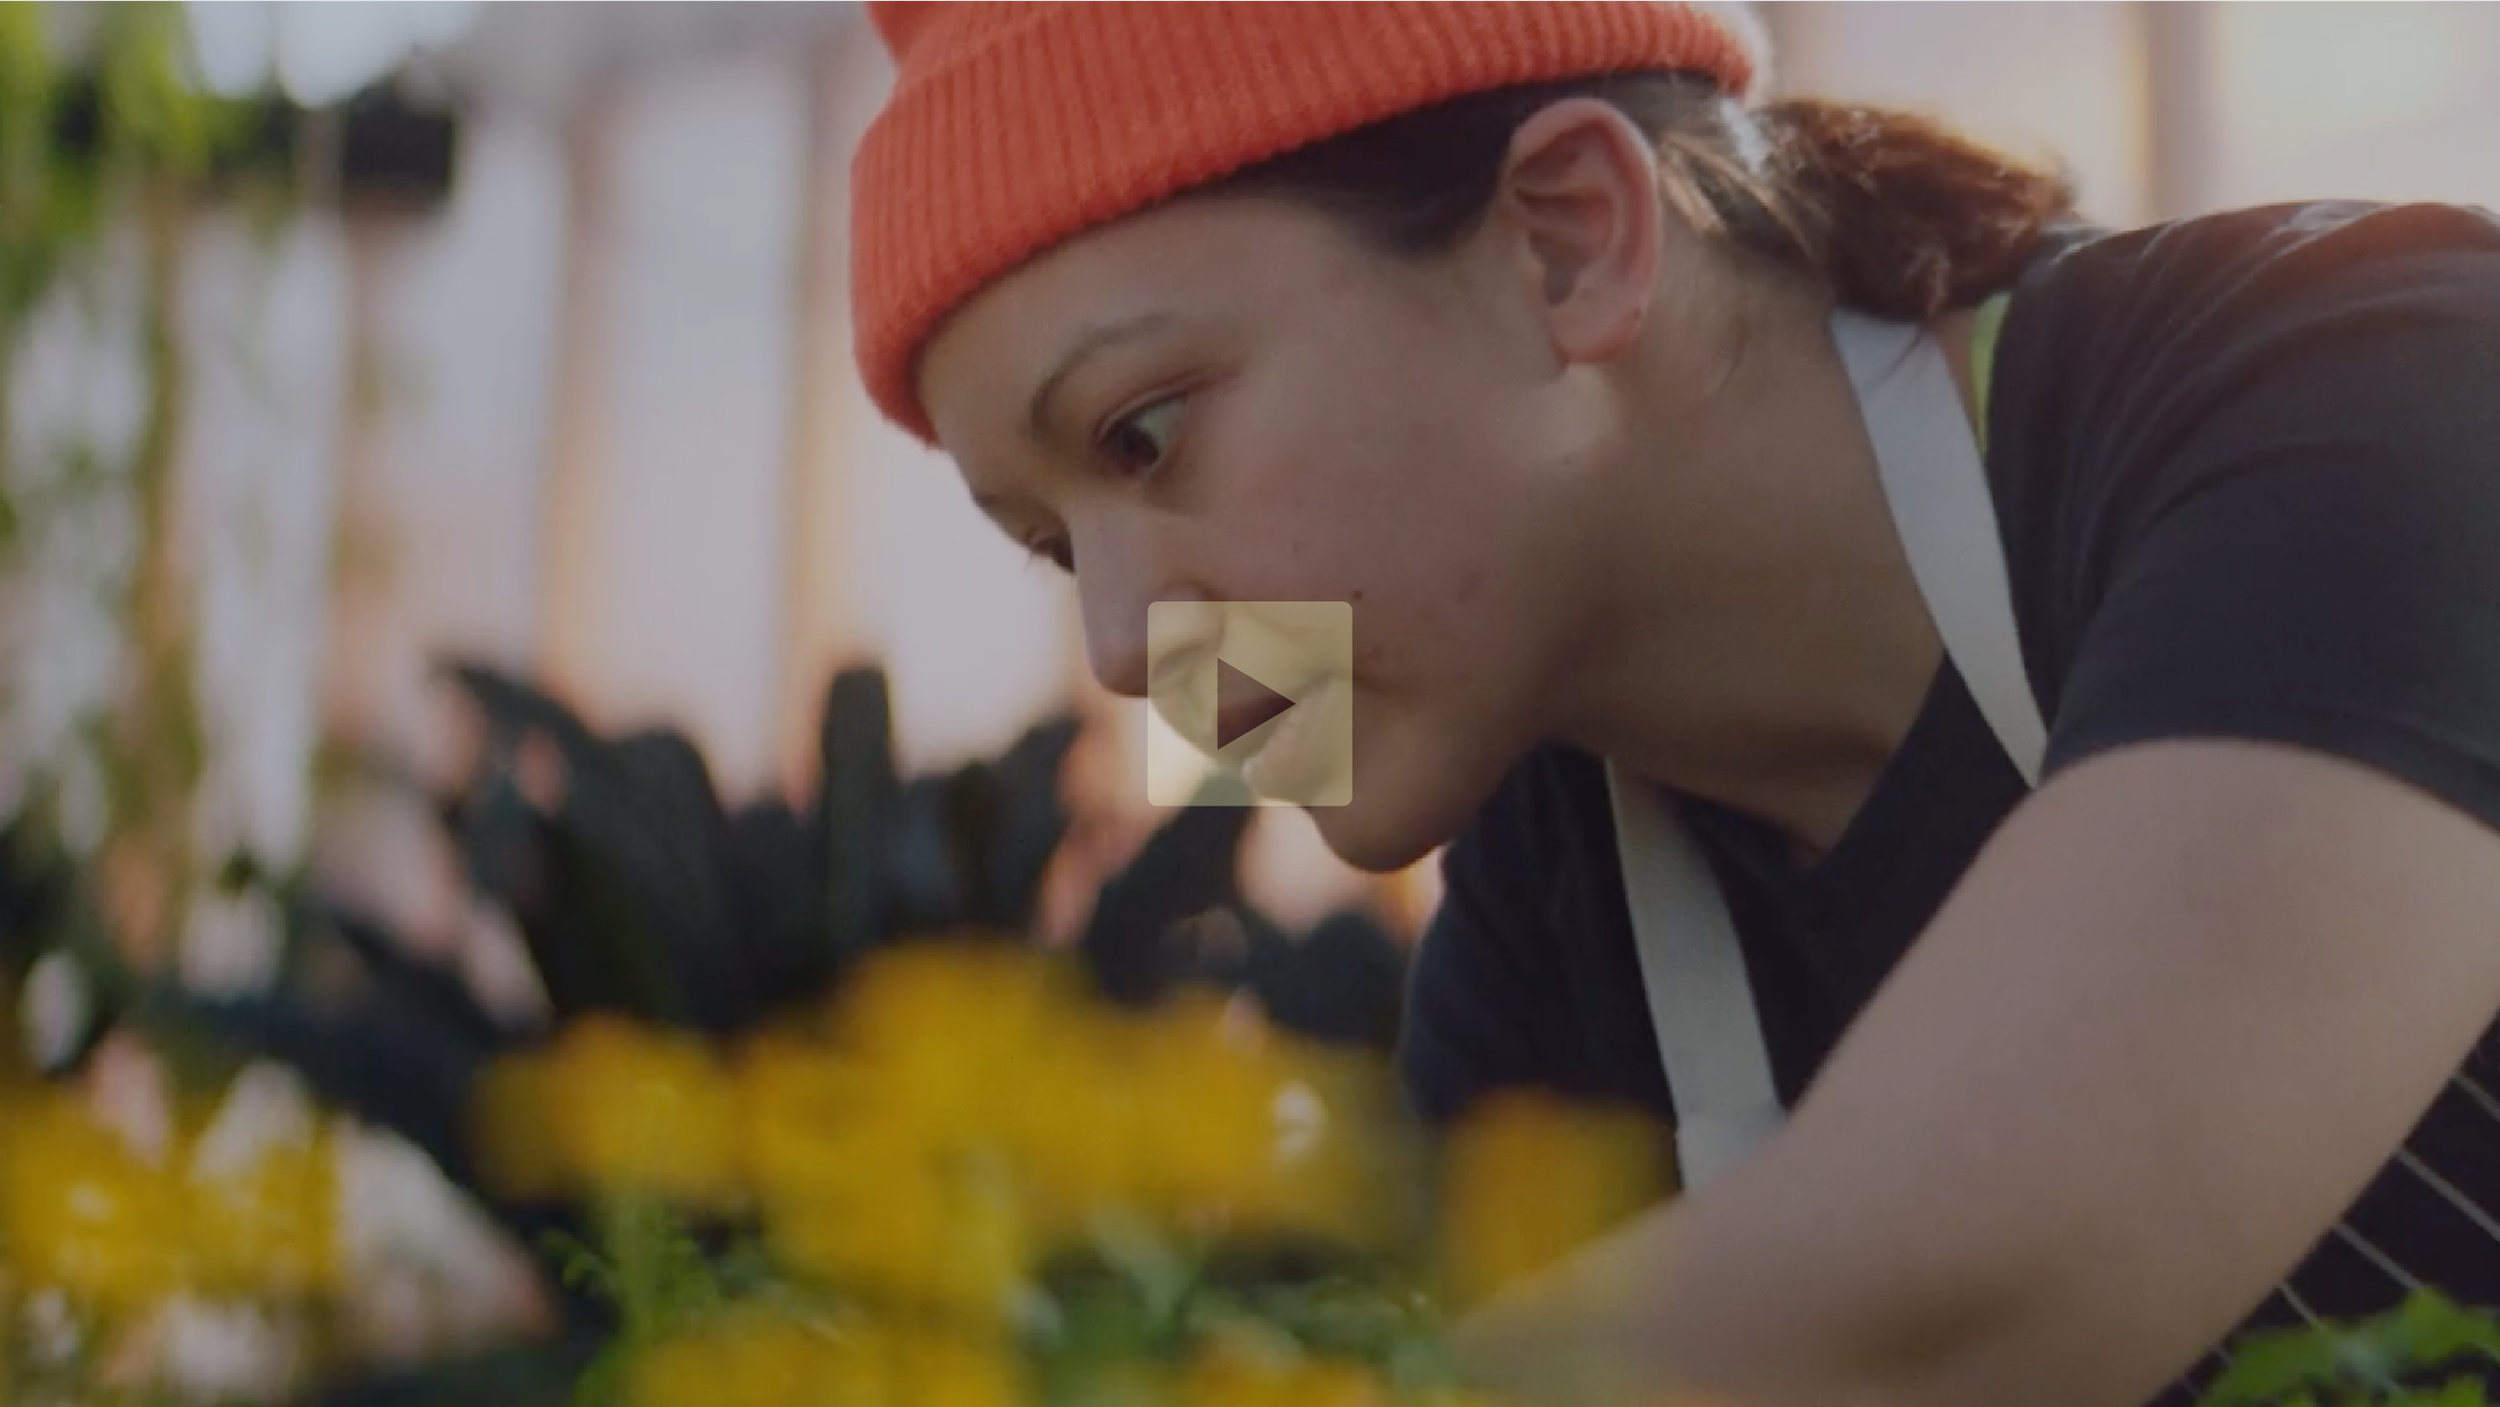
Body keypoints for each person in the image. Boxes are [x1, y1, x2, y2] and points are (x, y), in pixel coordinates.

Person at [844, 3, 2500, 1404]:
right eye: (1058, 547)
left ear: (1568, 239)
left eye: (1145, 434)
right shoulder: (1543, 924)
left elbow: (1993, 1268)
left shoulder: (2382, 397)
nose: (1124, 642)